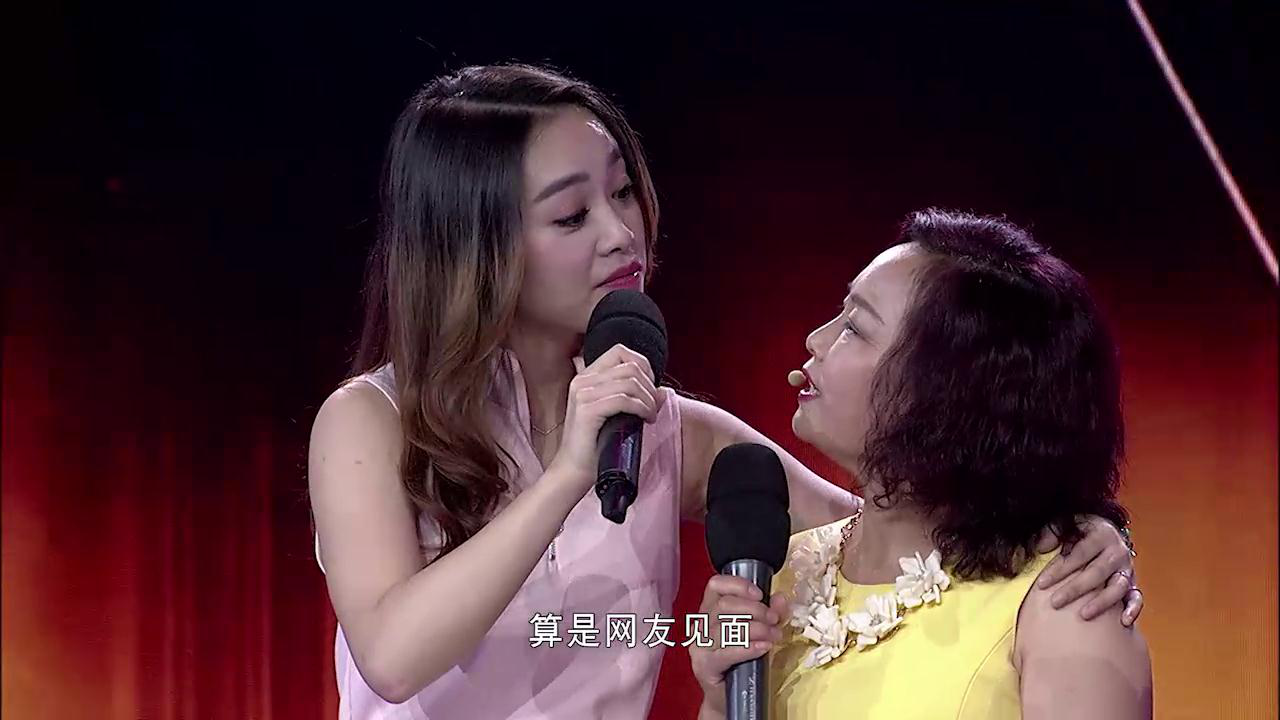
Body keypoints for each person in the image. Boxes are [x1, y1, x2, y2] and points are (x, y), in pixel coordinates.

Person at [307, 65, 1142, 718]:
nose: (622, 233)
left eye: (622, 191)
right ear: (474, 248)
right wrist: (568, 474)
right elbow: (393, 656)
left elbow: (900, 527)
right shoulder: (372, 422)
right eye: (570, 217)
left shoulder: (672, 433)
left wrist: (1078, 532)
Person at [690, 209, 1152, 719]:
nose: (816, 340)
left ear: (950, 392)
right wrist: (719, 700)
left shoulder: (1069, 598)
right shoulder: (780, 576)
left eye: (854, 328)